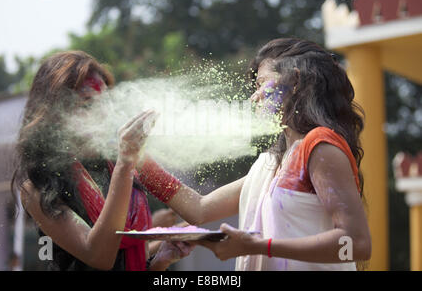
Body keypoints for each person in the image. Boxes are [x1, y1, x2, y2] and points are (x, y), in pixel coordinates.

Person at [137, 38, 371, 270]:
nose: (254, 97)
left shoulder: (319, 146)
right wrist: (136, 159)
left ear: (295, 82)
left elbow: (356, 244)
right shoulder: (271, 163)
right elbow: (199, 209)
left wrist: (259, 246)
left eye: (262, 84)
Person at [11, 51, 193, 271]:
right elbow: (100, 257)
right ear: (54, 113)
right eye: (87, 103)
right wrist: (125, 162)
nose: (102, 113)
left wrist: (161, 259)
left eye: (105, 102)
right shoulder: (37, 188)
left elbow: (200, 208)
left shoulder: (123, 164)